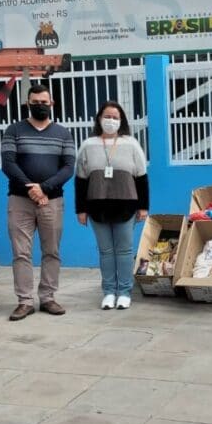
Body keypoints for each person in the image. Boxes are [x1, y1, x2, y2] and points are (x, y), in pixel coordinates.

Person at [1, 84, 76, 321]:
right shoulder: (13, 130)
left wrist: (44, 188)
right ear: (28, 103)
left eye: (44, 102)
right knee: (21, 253)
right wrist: (31, 189)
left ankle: (48, 298)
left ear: (51, 103)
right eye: (35, 102)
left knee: (51, 251)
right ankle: (24, 301)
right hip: (20, 200)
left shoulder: (63, 133)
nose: (40, 106)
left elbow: (68, 167)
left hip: (51, 201)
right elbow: (8, 163)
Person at [74, 101, 149, 310]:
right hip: (97, 207)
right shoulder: (88, 145)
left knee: (124, 251)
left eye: (116, 118)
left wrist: (143, 207)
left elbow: (142, 178)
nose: (111, 121)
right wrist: (80, 210)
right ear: (99, 118)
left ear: (121, 121)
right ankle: (108, 291)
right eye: (107, 116)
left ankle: (124, 292)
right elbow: (80, 180)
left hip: (126, 207)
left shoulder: (131, 145)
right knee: (105, 251)